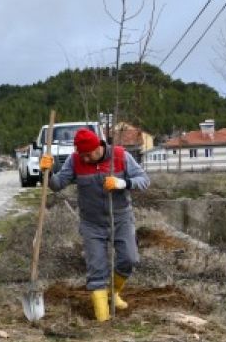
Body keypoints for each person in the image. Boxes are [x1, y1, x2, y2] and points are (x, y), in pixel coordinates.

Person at [43, 128, 150, 321]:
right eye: (81, 155)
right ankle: (103, 319)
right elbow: (58, 184)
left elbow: (144, 181)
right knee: (97, 269)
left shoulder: (120, 156)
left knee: (130, 258)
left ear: (97, 148)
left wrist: (123, 183)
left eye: (87, 155)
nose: (84, 159)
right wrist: (48, 173)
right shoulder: (75, 160)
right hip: (92, 224)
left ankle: (113, 293)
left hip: (121, 219)